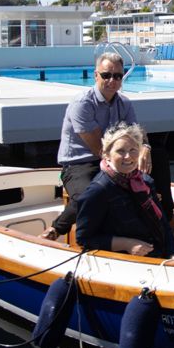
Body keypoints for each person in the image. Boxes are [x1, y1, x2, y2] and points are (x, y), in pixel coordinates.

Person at [44, 52, 143, 240]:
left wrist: (145, 149)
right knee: (88, 195)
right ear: (95, 75)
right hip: (80, 164)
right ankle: (56, 230)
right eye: (106, 75)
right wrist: (122, 170)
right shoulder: (82, 104)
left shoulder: (124, 103)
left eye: (117, 76)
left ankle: (167, 216)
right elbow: (98, 148)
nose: (112, 80)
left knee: (158, 160)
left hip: (113, 159)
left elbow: (136, 135)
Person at [76, 123, 174, 259]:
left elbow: (163, 224)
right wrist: (126, 244)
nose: (128, 156)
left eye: (133, 150)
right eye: (120, 151)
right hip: (124, 263)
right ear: (106, 155)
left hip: (156, 257)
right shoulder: (98, 190)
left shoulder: (145, 182)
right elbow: (84, 239)